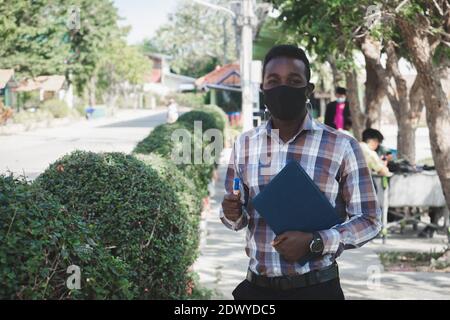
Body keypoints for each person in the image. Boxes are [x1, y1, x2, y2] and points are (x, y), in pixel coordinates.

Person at [221, 45, 381, 300]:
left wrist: (316, 241)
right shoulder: (245, 144)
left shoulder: (341, 146)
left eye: (294, 81)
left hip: (317, 290)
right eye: (273, 81)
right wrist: (231, 212)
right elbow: (234, 218)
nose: (283, 88)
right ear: (263, 88)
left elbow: (370, 220)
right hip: (256, 290)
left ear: (308, 90)